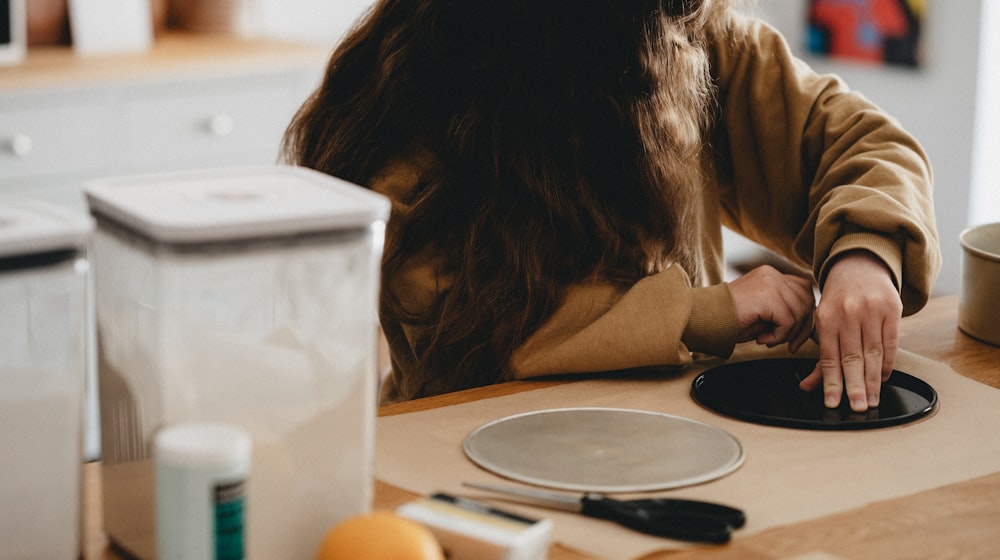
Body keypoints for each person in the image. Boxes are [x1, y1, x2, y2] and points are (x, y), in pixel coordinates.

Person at [282, 0, 941, 410]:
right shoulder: (419, 86)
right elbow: (460, 315)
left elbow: (863, 141)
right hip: (461, 459)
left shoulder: (684, 37)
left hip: (679, 443)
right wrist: (705, 311)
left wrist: (864, 252)